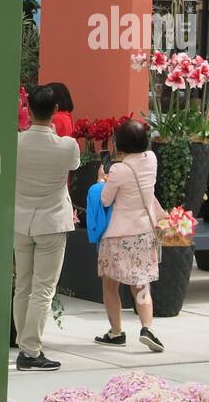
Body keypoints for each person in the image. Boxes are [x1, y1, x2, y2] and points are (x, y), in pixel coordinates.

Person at [13, 84, 81, 371]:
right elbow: (74, 165)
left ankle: (24, 345)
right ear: (55, 110)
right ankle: (30, 351)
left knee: (22, 286)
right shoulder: (67, 146)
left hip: (20, 221)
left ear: (27, 109)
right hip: (52, 222)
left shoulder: (14, 142)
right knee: (43, 290)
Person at [95, 117, 165, 353]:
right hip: (144, 233)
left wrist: (101, 180)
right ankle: (147, 328)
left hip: (118, 235)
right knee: (141, 283)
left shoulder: (118, 169)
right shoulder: (151, 160)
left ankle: (116, 332)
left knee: (110, 284)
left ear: (120, 143)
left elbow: (105, 200)